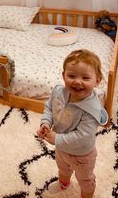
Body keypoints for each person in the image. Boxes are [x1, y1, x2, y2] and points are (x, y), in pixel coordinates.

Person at [37, 49, 108, 198]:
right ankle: (64, 183)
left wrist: (56, 139)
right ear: (63, 75)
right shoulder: (58, 92)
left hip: (82, 155)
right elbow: (50, 107)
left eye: (85, 77)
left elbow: (83, 136)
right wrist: (46, 122)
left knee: (86, 180)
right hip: (62, 147)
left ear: (98, 80)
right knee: (63, 169)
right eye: (71, 76)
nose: (77, 81)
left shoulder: (92, 109)